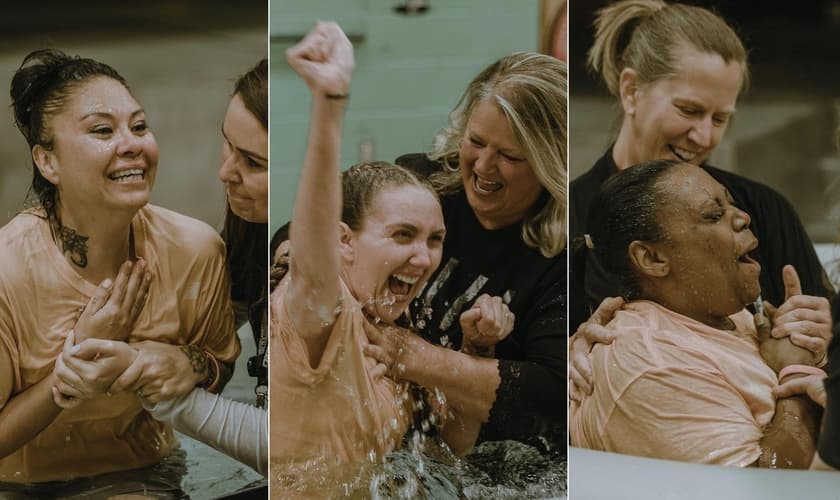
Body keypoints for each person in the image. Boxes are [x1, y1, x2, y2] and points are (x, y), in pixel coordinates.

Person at [268, 22, 514, 496]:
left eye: (434, 239)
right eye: (403, 235)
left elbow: (452, 448)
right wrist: (329, 104)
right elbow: (313, 233)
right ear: (343, 241)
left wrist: (475, 351)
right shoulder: (318, 315)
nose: (422, 258)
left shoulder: (389, 330)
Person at [0, 49, 240, 495]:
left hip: (145, 474)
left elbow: (220, 366)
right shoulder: (7, 270)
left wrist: (189, 361)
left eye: (140, 126)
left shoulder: (195, 250)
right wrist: (71, 367)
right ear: (47, 161)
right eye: (102, 131)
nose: (131, 144)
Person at [569, 0, 834, 401]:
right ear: (631, 91)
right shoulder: (566, 219)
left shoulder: (763, 210)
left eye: (720, 118)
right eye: (689, 110)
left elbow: (826, 347)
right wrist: (565, 352)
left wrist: (826, 332)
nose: (704, 137)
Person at [52, 59, 270, 477]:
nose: (224, 172)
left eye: (254, 162)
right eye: (227, 143)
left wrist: (171, 375)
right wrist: (192, 362)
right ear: (46, 160)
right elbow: (221, 341)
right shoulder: (240, 230)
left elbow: (307, 452)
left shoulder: (209, 246)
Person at [569, 159, 825, 468]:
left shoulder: (730, 316)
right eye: (714, 215)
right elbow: (768, 490)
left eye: (732, 205)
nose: (744, 217)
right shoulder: (650, 363)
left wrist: (823, 352)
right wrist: (798, 375)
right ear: (651, 257)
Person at [379, 51, 567, 451]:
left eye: (510, 156)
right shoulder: (427, 184)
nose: (483, 166)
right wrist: (291, 252)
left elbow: (556, 395)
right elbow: (332, 224)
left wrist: (418, 358)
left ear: (550, 163)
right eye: (476, 141)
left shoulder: (564, 257)